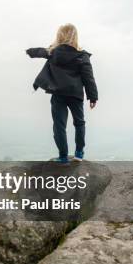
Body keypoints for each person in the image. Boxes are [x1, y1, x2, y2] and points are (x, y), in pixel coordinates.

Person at [26, 23, 98, 163]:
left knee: (59, 125)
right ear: (75, 37)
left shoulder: (53, 52)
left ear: (59, 36)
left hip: (58, 93)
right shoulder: (82, 56)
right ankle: (79, 153)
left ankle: (63, 156)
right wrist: (93, 97)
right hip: (75, 94)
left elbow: (40, 51)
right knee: (79, 123)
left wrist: (28, 51)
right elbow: (88, 78)